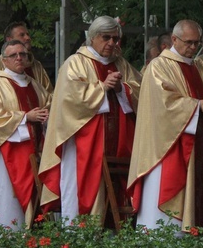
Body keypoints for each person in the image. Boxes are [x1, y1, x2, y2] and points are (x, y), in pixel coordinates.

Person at [39, 16, 142, 223]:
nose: (112, 43)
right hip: (85, 144)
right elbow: (69, 101)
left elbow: (142, 93)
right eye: (106, 38)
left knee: (115, 189)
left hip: (119, 144)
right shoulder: (75, 63)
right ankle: (78, 236)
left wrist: (122, 89)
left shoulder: (121, 64)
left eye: (115, 39)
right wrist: (101, 87)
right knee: (85, 189)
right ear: (93, 37)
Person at [128, 19, 203, 232]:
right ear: (173, 39)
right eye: (188, 42)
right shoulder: (158, 67)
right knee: (163, 217)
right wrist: (199, 106)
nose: (193, 48)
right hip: (165, 149)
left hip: (195, 142)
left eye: (197, 43)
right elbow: (163, 105)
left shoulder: (197, 68)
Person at [0, 40, 51, 231]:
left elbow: (49, 106)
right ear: (4, 60)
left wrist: (47, 116)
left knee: (35, 199)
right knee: (7, 200)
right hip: (8, 154)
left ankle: (32, 244)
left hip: (35, 152)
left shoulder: (36, 86)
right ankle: (3, 242)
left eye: (22, 54)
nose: (19, 58)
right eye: (13, 55)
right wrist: (25, 117)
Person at [0, 21, 53, 94]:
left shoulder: (37, 66)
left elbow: (49, 96)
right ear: (9, 40)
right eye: (22, 35)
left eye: (28, 34)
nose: (27, 38)